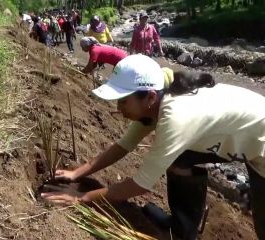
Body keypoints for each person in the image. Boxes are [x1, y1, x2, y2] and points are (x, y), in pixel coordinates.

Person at [42, 54, 265, 240]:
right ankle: (183, 229)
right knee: (179, 158)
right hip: (243, 135)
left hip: (261, 146)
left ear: (148, 97)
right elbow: (122, 146)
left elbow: (141, 184)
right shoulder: (156, 101)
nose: (119, 108)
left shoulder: (176, 116)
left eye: (123, 101)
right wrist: (76, 173)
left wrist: (83, 199)